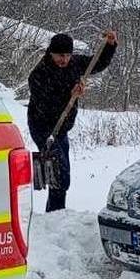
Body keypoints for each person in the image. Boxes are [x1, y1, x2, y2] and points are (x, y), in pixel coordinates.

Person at [27, 30, 118, 212]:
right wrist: (70, 93)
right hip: (43, 127)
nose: (64, 60)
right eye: (60, 55)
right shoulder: (39, 74)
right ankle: (54, 216)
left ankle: (55, 214)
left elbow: (97, 63)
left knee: (62, 174)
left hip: (62, 128)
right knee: (59, 173)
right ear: (51, 53)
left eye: (68, 55)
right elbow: (45, 106)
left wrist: (109, 46)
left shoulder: (75, 63)